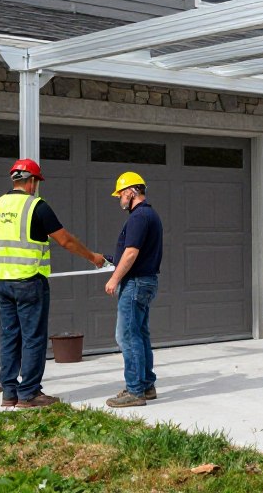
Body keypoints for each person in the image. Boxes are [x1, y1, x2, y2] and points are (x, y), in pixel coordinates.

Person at [0, 158, 105, 408]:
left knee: (10, 336)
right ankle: (29, 393)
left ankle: (9, 393)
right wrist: (92, 257)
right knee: (33, 337)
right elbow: (65, 241)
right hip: (29, 281)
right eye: (36, 182)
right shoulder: (36, 206)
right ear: (31, 182)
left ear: (13, 179)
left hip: (2, 281)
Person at [104, 171, 164, 408]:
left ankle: (135, 391)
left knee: (126, 336)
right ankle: (147, 385)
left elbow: (131, 253)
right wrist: (107, 260)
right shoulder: (150, 215)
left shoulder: (139, 217)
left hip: (136, 283)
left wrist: (114, 279)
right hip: (145, 281)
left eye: (120, 193)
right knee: (140, 334)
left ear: (131, 192)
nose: (119, 198)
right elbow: (129, 254)